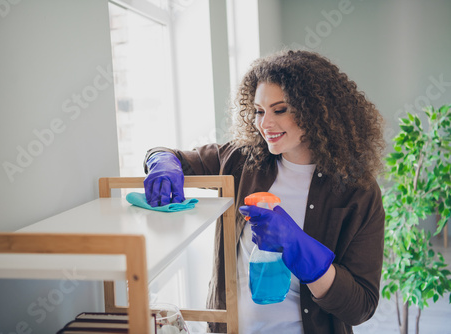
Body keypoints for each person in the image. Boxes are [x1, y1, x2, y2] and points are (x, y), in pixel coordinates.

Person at [142, 49, 386, 334]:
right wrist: (162, 163)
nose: (264, 124)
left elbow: (360, 306)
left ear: (317, 112)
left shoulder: (358, 192)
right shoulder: (241, 161)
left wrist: (301, 250)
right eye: (259, 111)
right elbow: (166, 154)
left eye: (279, 110)